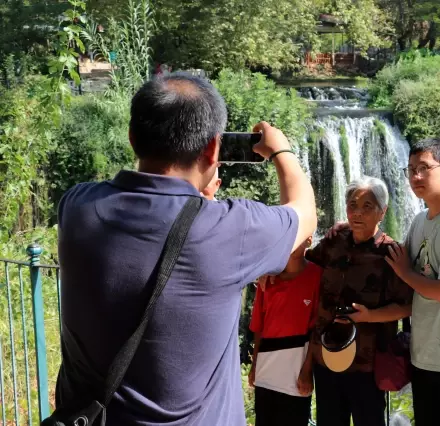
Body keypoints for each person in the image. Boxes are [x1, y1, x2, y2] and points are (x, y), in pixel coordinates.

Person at [54, 72, 317, 426]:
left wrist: (195, 203)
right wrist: (281, 149)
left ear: (133, 139)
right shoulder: (229, 229)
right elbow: (305, 216)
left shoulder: (76, 207)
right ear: (213, 149)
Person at [328, 139, 440, 426]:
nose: (416, 176)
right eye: (411, 169)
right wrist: (354, 224)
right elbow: (390, 257)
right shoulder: (419, 222)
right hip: (424, 358)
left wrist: (405, 273)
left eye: (424, 168)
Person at [305, 176, 413, 426]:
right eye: (353, 205)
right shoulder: (335, 239)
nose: (358, 213)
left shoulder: (390, 253)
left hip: (367, 365)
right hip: (326, 357)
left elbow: (407, 306)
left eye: (367, 207)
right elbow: (307, 265)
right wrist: (272, 271)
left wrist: (370, 316)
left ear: (382, 212)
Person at [248, 236, 322, 426]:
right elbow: (259, 327)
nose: (293, 242)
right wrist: (254, 364)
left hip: (296, 372)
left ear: (309, 240)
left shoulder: (316, 276)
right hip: (266, 369)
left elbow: (317, 328)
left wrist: (307, 370)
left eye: (300, 237)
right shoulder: (268, 278)